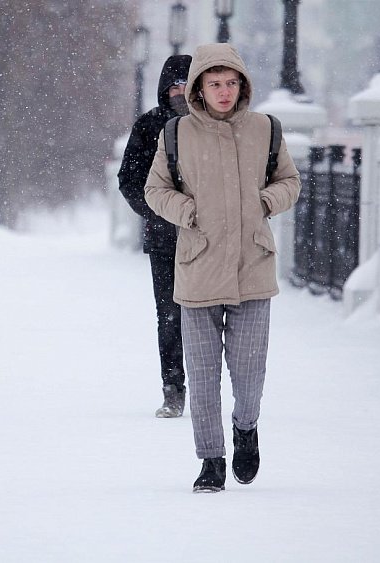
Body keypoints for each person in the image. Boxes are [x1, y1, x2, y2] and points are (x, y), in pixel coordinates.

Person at [144, 43, 301, 493]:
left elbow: (289, 181)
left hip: (253, 265)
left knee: (250, 371)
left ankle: (245, 427)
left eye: (231, 83)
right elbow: (155, 190)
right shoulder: (176, 134)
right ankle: (210, 460)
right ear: (199, 88)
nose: (224, 91)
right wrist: (187, 210)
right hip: (197, 267)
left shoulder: (265, 130)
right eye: (214, 84)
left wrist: (265, 201)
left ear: (242, 85)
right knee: (203, 372)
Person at [117, 54, 192, 419]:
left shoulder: (211, 126)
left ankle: (211, 388)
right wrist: (158, 214)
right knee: (170, 315)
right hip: (165, 240)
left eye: (186, 84)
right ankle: (173, 388)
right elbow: (128, 180)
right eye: (174, 85)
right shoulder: (149, 126)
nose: (179, 92)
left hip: (210, 240)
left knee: (211, 316)